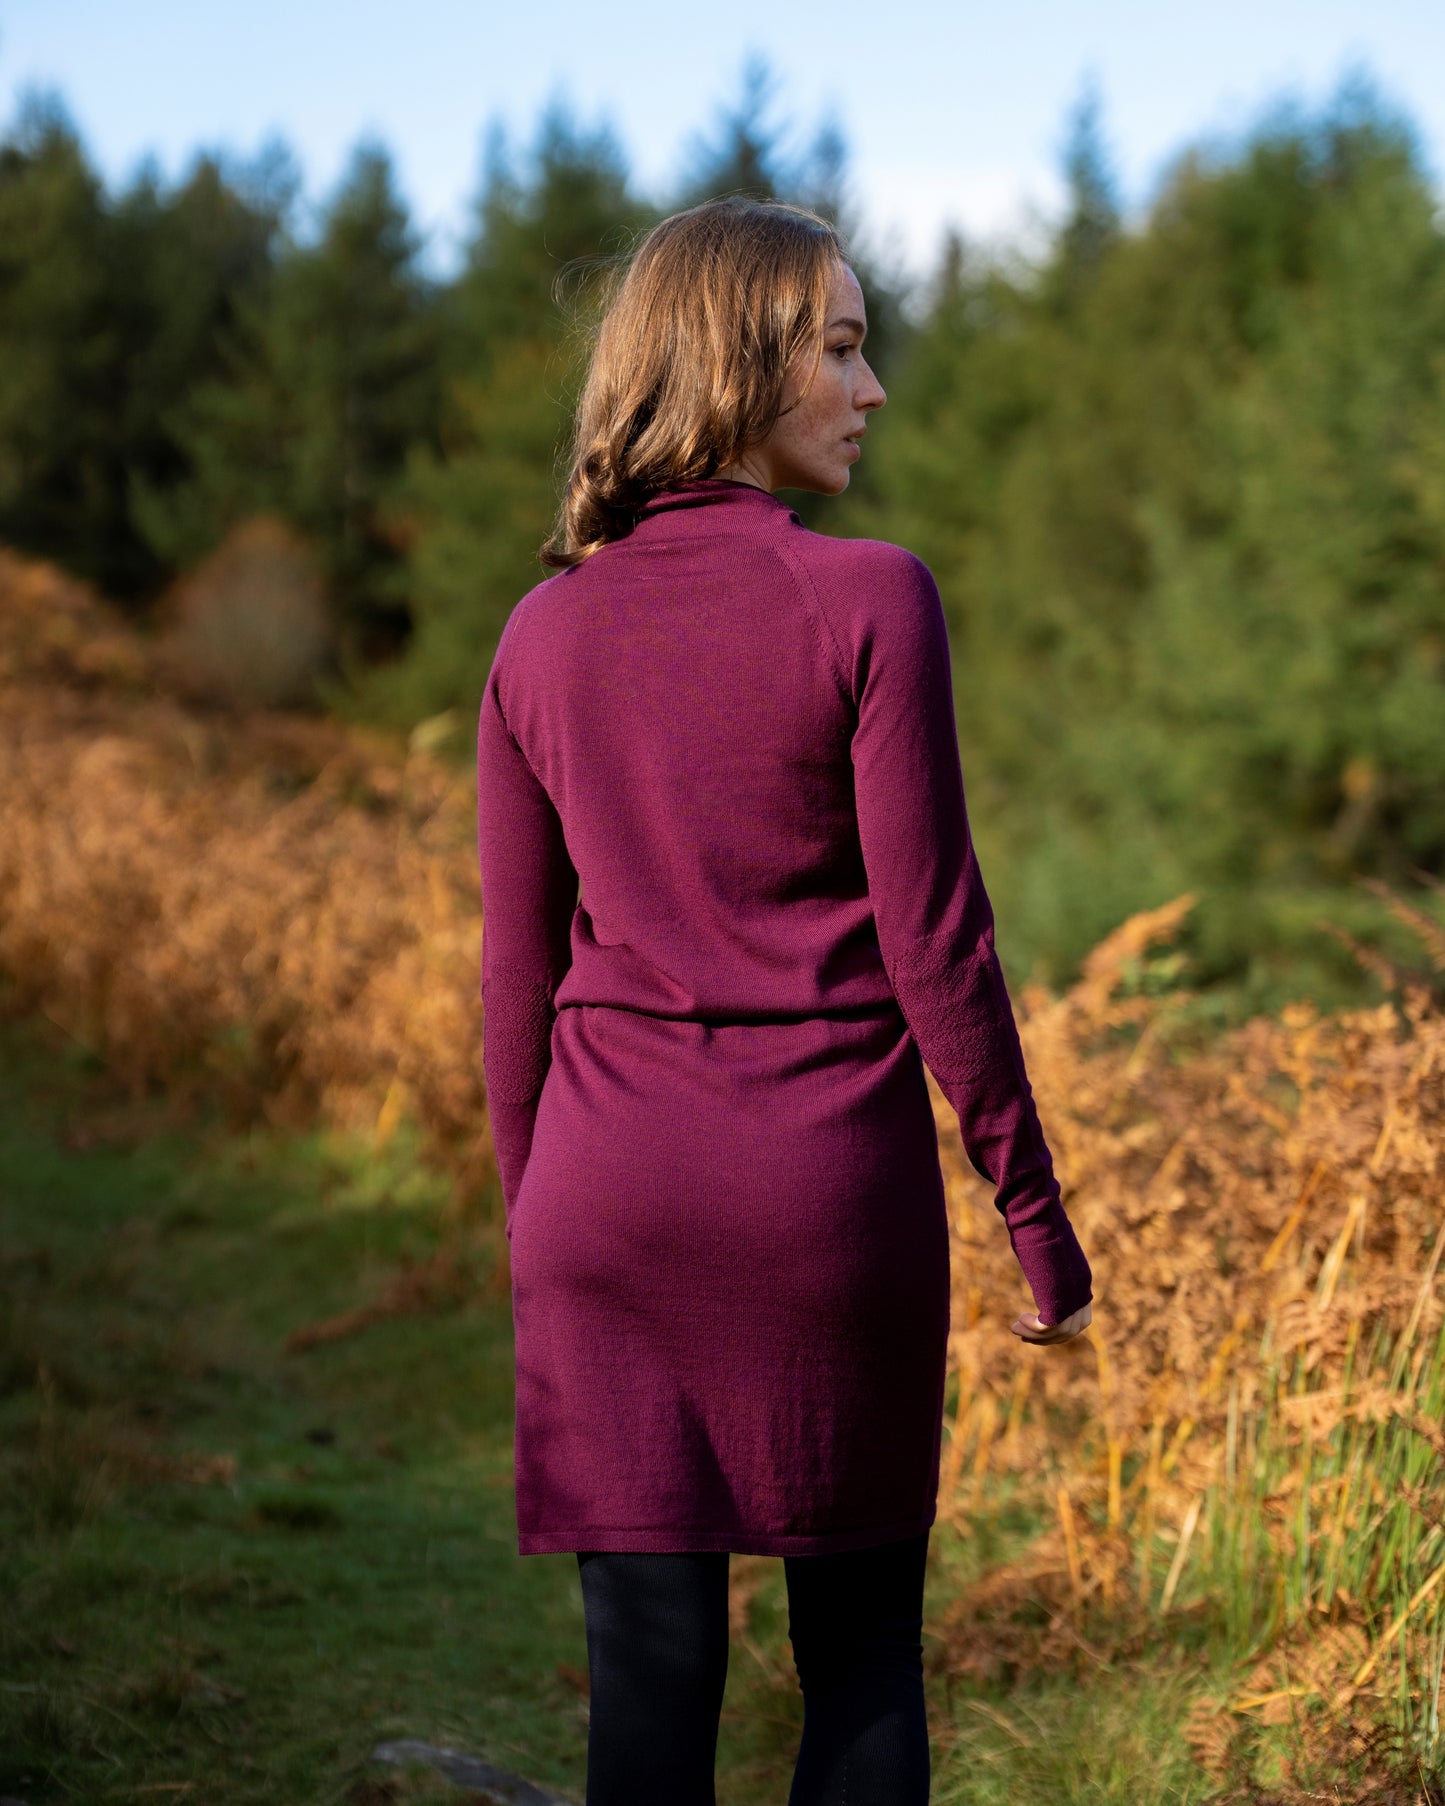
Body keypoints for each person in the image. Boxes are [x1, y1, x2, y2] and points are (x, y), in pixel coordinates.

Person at [475, 197, 1093, 1806]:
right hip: (824, 1204)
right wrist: (1034, 1211)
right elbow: (938, 941)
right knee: (867, 1665)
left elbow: (517, 977)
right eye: (838, 345)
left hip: (603, 1210)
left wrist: (538, 1221)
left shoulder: (537, 636)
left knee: (648, 1700)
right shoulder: (873, 599)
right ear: (740, 364)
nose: (871, 384)